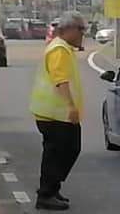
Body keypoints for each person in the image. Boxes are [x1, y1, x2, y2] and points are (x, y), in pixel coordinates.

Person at [29, 11, 86, 211]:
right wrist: (70, 106)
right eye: (80, 29)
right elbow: (60, 79)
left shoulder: (65, 48)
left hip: (59, 114)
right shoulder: (59, 50)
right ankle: (45, 194)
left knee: (70, 149)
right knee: (57, 153)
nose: (83, 33)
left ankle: (52, 188)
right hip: (55, 114)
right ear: (68, 29)